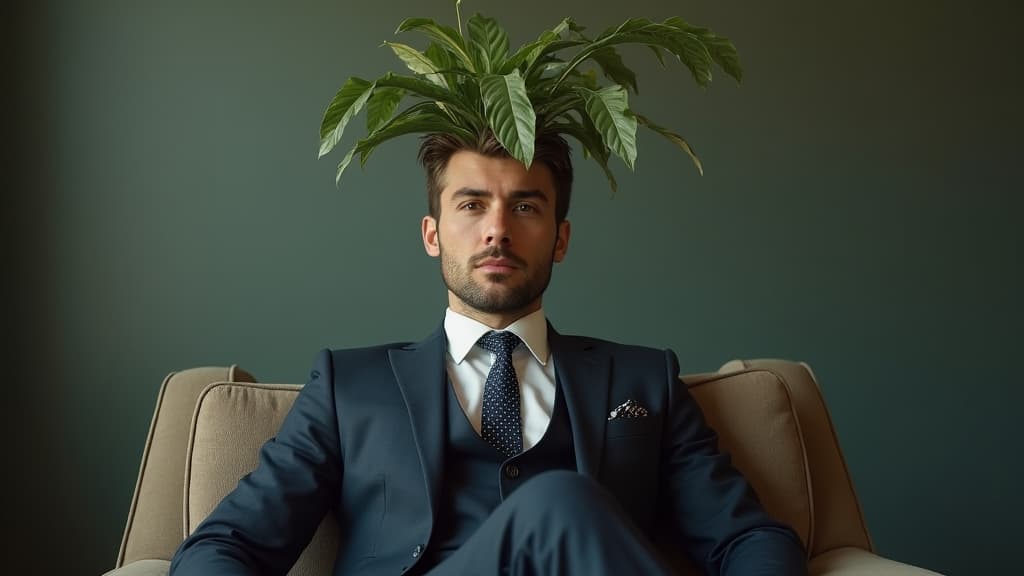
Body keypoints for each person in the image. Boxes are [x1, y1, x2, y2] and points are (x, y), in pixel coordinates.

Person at [170, 130, 808, 575]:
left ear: (560, 239)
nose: (497, 228)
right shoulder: (349, 385)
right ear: (433, 233)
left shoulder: (642, 380)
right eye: (471, 205)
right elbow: (225, 546)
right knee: (559, 501)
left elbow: (749, 538)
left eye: (524, 206)